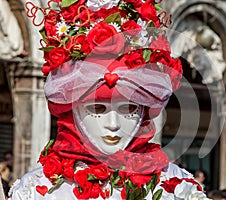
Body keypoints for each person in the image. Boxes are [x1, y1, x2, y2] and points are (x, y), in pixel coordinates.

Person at [8, 0, 210, 199]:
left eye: (128, 108)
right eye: (97, 108)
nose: (113, 125)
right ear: (72, 110)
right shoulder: (35, 190)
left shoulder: (176, 186)